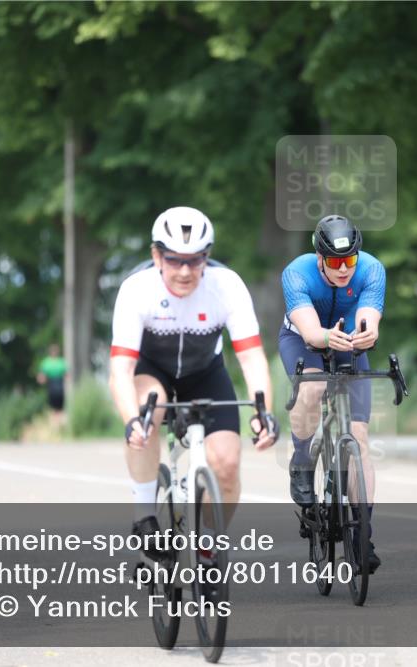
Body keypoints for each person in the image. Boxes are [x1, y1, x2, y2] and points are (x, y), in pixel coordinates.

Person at [108, 206, 278, 560]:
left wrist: (264, 412)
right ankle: (144, 516)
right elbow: (121, 369)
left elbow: (251, 358)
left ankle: (209, 545)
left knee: (228, 464)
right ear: (157, 256)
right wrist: (131, 421)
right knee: (146, 412)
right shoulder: (136, 290)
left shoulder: (227, 285)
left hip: (205, 374)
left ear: (206, 258)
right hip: (152, 371)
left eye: (194, 260)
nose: (184, 271)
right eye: (174, 260)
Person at [279, 214, 385, 573]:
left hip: (349, 343)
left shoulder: (371, 270)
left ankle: (362, 535)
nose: (344, 269)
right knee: (313, 387)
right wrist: (326, 338)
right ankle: (302, 462)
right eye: (336, 262)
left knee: (360, 437)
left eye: (350, 260)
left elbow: (369, 316)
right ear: (320, 258)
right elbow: (310, 332)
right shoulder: (297, 272)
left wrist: (368, 333)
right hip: (304, 341)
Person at [37, 343, 68, 427]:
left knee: (61, 408)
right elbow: (41, 376)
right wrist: (42, 379)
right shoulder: (46, 362)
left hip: (61, 385)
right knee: (53, 408)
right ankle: (54, 426)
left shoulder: (61, 362)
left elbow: (66, 375)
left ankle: (60, 426)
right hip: (51, 385)